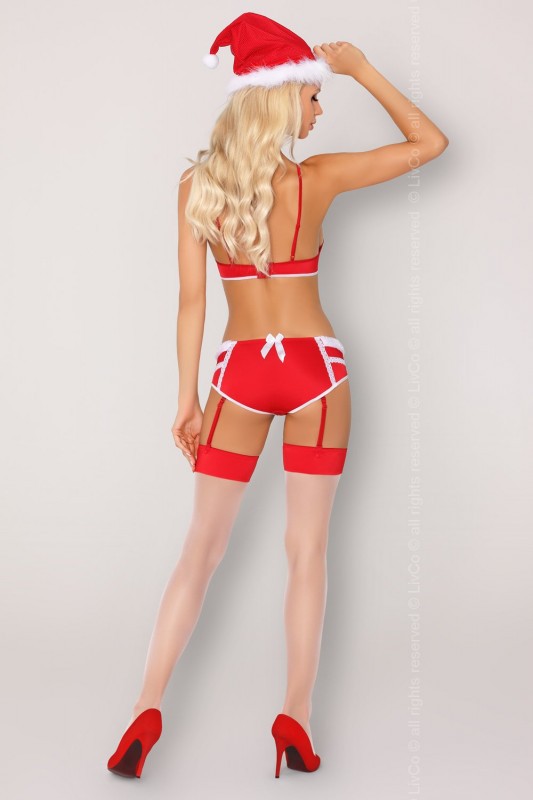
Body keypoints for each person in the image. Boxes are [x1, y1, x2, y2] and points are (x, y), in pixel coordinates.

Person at [107, 11, 448, 781]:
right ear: (282, 96)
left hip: (237, 376)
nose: (320, 110)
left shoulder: (196, 188)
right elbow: (428, 143)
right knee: (306, 552)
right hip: (315, 373)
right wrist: (362, 68)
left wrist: (186, 399)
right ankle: (294, 714)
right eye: (315, 95)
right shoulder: (314, 179)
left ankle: (144, 711)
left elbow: (191, 304)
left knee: (200, 550)